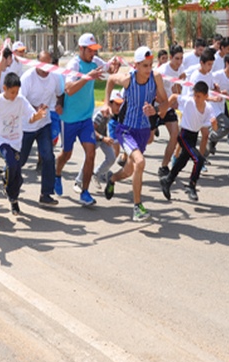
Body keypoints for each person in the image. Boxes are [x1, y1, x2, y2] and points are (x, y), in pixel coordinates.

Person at [103, 46, 170, 222]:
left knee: (129, 171)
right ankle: (137, 207)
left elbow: (165, 104)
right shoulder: (127, 80)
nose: (148, 69)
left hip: (143, 130)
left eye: (150, 65)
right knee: (140, 162)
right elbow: (110, 79)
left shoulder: (155, 78)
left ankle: (112, 179)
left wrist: (154, 110)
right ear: (136, 65)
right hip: (125, 130)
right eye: (144, 66)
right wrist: (106, 104)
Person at [55, 33, 118, 207]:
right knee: (66, 154)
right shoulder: (74, 64)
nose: (93, 53)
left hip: (85, 118)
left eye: (94, 50)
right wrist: (86, 77)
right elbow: (69, 89)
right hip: (69, 119)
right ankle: (57, 174)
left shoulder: (95, 62)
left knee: (91, 153)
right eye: (90, 50)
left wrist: (114, 65)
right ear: (81, 49)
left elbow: (109, 70)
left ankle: (84, 192)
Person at [0, 72, 46, 215]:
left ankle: (14, 200)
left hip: (16, 141)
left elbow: (30, 118)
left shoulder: (20, 100)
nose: (15, 95)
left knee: (18, 177)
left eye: (17, 92)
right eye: (12, 92)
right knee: (11, 163)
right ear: (4, 88)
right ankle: (7, 187)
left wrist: (37, 117)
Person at [19, 51, 64, 206]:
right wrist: (35, 109)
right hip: (27, 125)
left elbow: (60, 94)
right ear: (36, 63)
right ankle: (10, 180)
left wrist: (59, 104)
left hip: (44, 123)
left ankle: (46, 194)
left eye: (48, 65)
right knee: (21, 159)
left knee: (48, 157)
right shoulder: (27, 78)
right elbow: (19, 100)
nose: (45, 69)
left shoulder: (55, 77)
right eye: (42, 64)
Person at [159, 81, 217, 202]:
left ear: (206, 96)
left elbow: (215, 128)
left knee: (182, 161)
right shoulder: (189, 101)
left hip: (194, 136)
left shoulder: (209, 109)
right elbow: (174, 96)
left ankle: (168, 180)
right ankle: (191, 185)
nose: (196, 99)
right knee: (199, 159)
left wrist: (214, 124)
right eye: (195, 95)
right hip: (184, 135)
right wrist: (166, 107)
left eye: (199, 96)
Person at [154, 44, 185, 177]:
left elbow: (177, 86)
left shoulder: (180, 69)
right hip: (156, 106)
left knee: (175, 134)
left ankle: (164, 166)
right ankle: (126, 156)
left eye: (181, 58)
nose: (179, 62)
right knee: (148, 140)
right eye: (177, 58)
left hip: (169, 107)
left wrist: (177, 97)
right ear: (171, 58)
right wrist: (163, 104)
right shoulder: (162, 70)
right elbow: (153, 90)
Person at [207, 52, 229, 156]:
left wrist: (226, 94)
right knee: (228, 125)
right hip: (212, 105)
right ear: (227, 63)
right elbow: (209, 88)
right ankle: (211, 138)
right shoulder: (217, 75)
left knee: (218, 128)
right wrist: (218, 92)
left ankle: (205, 152)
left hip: (220, 106)